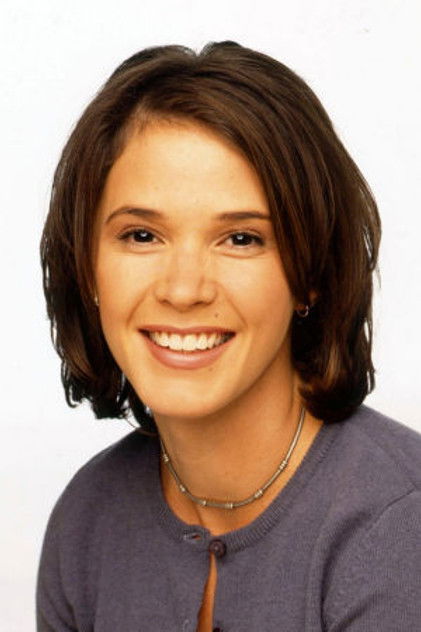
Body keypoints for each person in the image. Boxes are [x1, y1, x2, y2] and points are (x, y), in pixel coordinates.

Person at [36, 41, 421, 631]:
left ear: (310, 275)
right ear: (87, 268)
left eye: (241, 239)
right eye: (141, 235)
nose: (183, 289)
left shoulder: (397, 526)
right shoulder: (88, 521)